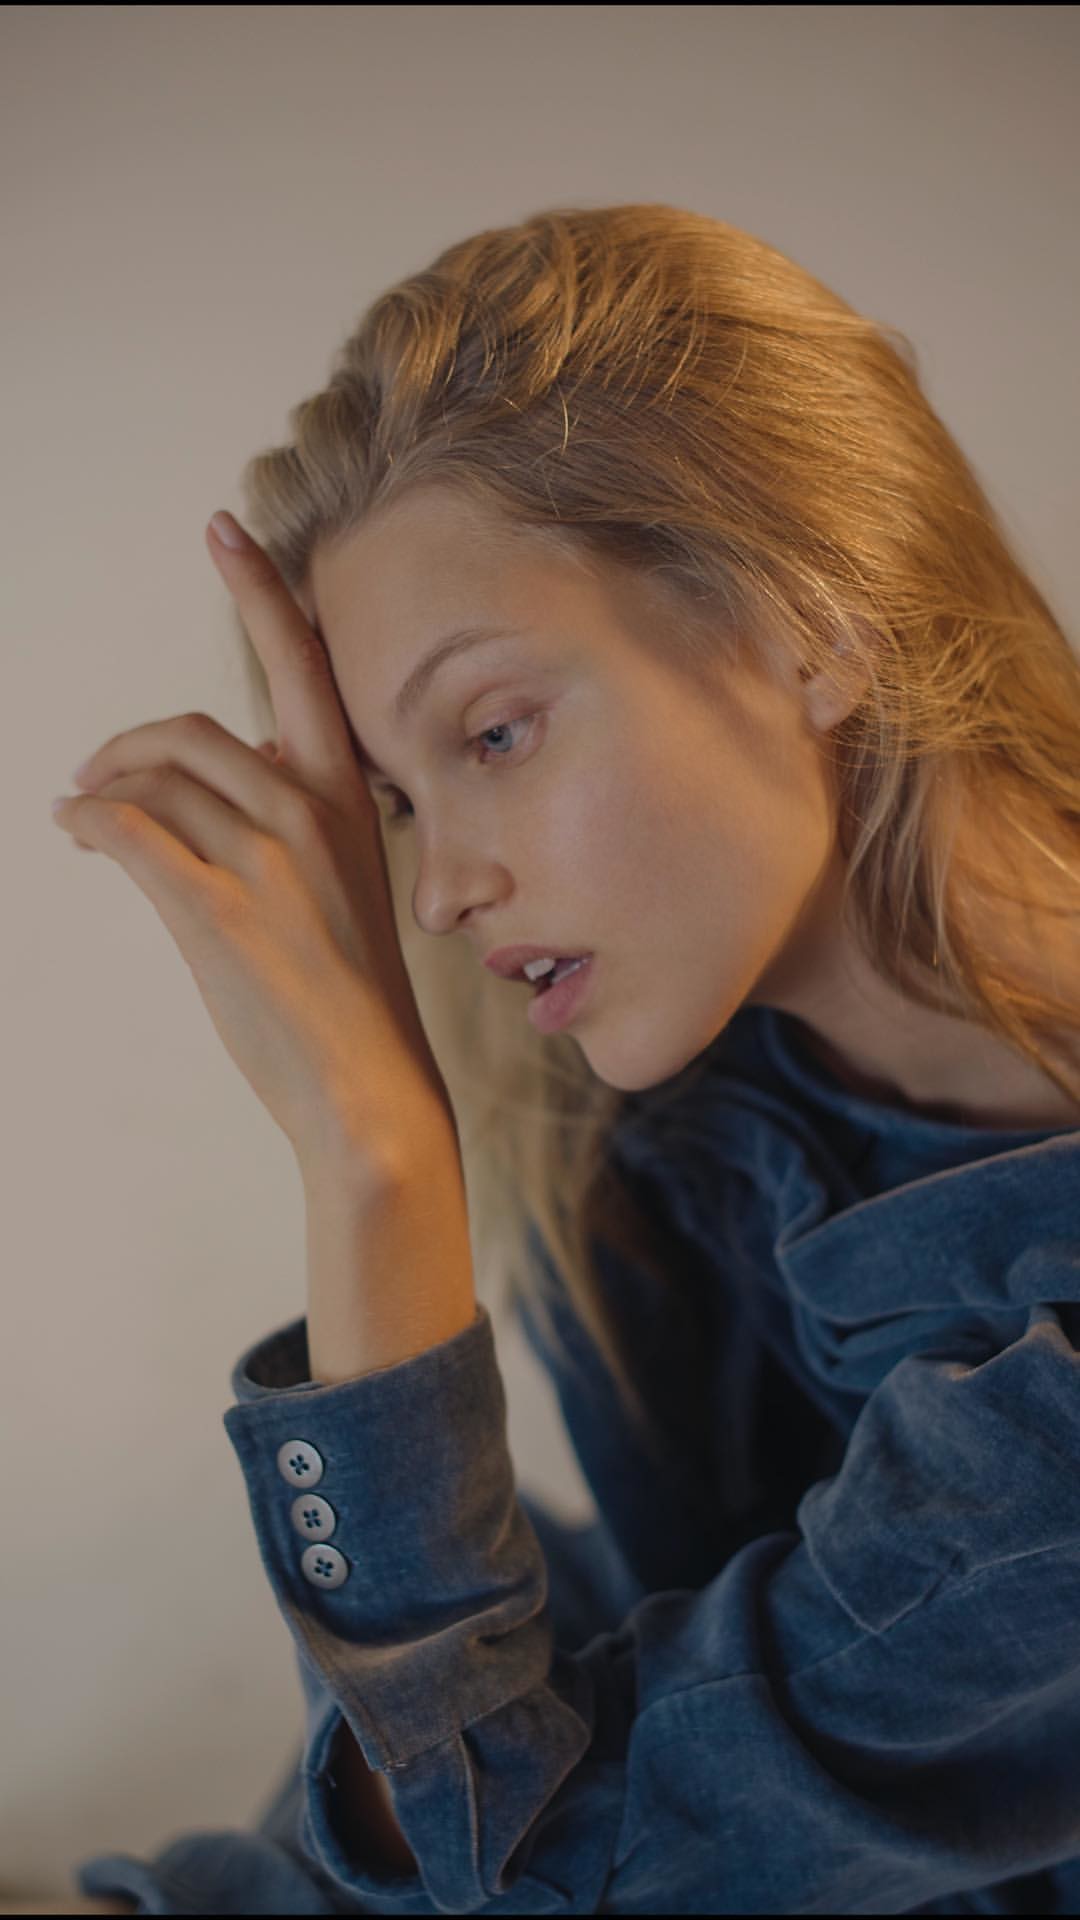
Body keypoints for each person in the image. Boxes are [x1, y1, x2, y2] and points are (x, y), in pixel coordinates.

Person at [53, 204, 1080, 1913]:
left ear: (812, 620)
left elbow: (527, 1870)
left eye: (496, 730)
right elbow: (606, 1707)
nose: (437, 893)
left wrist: (372, 1157)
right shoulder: (674, 1117)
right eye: (398, 801)